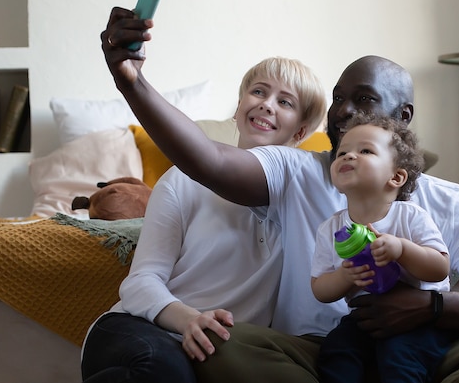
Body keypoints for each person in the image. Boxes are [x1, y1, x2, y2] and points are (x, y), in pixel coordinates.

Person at [99, 6, 459, 383]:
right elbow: (208, 161)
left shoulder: (452, 201)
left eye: (361, 99)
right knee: (226, 346)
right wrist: (132, 82)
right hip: (316, 354)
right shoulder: (295, 169)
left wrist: (428, 308)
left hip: (426, 342)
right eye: (338, 98)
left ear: (402, 117)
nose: (342, 111)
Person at [80, 56, 327, 382]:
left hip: (223, 349)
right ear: (239, 106)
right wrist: (188, 321)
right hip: (145, 326)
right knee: (165, 371)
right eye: (258, 92)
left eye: (284, 101)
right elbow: (140, 283)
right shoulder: (182, 180)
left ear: (302, 130)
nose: (267, 105)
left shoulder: (308, 202)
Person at [311, 113, 459, 383]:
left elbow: (440, 268)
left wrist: (402, 249)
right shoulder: (331, 229)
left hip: (420, 321)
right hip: (365, 318)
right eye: (342, 151)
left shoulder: (410, 216)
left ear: (396, 176)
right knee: (337, 351)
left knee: (399, 357)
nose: (348, 156)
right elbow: (319, 288)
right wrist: (344, 277)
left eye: (365, 150)